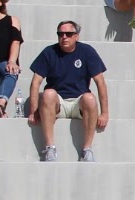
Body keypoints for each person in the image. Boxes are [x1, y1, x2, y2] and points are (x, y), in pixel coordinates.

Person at [26, 21, 110, 162]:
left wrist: (105, 113)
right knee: (48, 93)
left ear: (76, 36)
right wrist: (33, 111)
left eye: (68, 34)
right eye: (60, 34)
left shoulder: (87, 51)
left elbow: (100, 82)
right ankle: (50, 148)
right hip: (57, 104)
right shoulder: (49, 52)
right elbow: (36, 82)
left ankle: (87, 149)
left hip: (79, 103)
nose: (64, 37)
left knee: (89, 98)